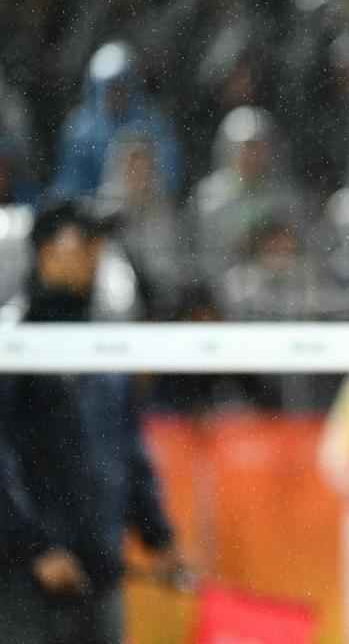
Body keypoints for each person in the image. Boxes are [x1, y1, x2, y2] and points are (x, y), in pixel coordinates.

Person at [0, 199, 184, 644]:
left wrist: (157, 535)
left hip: (101, 576)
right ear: (45, 252)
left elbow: (127, 447)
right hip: (30, 581)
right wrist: (34, 548)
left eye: (100, 243)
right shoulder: (13, 344)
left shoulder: (102, 344)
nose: (96, 254)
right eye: (85, 241)